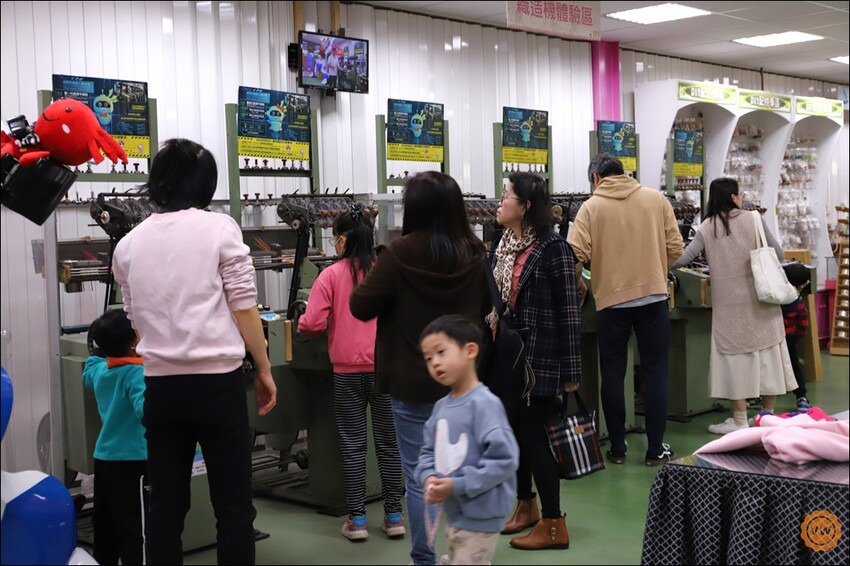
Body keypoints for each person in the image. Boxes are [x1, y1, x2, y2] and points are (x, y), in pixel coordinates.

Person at [112, 138, 277, 565]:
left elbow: (134, 318)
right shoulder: (219, 228)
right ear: (204, 185)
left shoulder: (128, 245)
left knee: (166, 509)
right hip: (218, 388)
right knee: (233, 506)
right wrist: (263, 367)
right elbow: (244, 307)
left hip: (161, 390)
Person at [350, 171, 491, 565]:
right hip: (463, 384)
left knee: (421, 475)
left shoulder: (398, 254)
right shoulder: (474, 252)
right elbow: (483, 309)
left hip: (413, 383)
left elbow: (360, 305)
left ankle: (424, 558)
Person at [298, 204, 405, 542]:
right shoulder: (387, 272)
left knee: (353, 444)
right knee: (389, 444)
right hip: (384, 370)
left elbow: (312, 323)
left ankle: (357, 520)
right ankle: (393, 515)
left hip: (346, 373)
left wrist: (301, 322)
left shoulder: (329, 276)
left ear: (342, 240)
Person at [568, 153, 683, 466]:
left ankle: (617, 448)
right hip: (654, 299)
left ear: (595, 179)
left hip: (611, 304)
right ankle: (655, 448)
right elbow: (676, 247)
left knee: (613, 375)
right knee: (655, 372)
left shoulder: (590, 208)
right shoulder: (656, 200)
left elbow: (574, 254)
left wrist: (580, 282)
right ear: (625, 173)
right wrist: (655, 271)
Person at [490, 172, 580, 551]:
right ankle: (525, 505)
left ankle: (554, 523)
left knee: (533, 436)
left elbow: (569, 311)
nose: (500, 202)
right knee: (515, 433)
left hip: (539, 359)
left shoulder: (553, 248)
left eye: (507, 196)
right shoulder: (504, 243)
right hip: (507, 355)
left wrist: (571, 374)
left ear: (525, 207)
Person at [671, 177, 796, 434]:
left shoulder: (707, 226)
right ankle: (765, 417)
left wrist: (656, 260)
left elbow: (684, 257)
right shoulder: (754, 219)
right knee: (768, 359)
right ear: (733, 197)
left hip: (729, 309)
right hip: (762, 302)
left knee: (734, 362)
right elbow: (780, 255)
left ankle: (739, 421)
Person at [416, 315, 519, 566]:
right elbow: (428, 452)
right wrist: (428, 477)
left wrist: (457, 485)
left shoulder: (484, 405)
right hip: (456, 513)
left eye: (441, 352)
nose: (435, 363)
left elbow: (505, 460)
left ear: (470, 350)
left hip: (482, 515)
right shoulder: (441, 407)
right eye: (429, 358)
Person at [83, 309, 146, 565]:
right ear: (134, 342)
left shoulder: (101, 371)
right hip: (135, 461)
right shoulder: (136, 374)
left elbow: (90, 367)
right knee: (134, 526)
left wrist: (102, 350)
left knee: (106, 524)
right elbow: (146, 410)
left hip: (105, 459)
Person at [782, 263, 812, 411]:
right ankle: (801, 397)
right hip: (790, 338)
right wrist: (796, 338)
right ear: (804, 284)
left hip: (774, 338)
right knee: (794, 367)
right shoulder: (798, 303)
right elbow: (803, 325)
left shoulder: (776, 299)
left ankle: (758, 397)